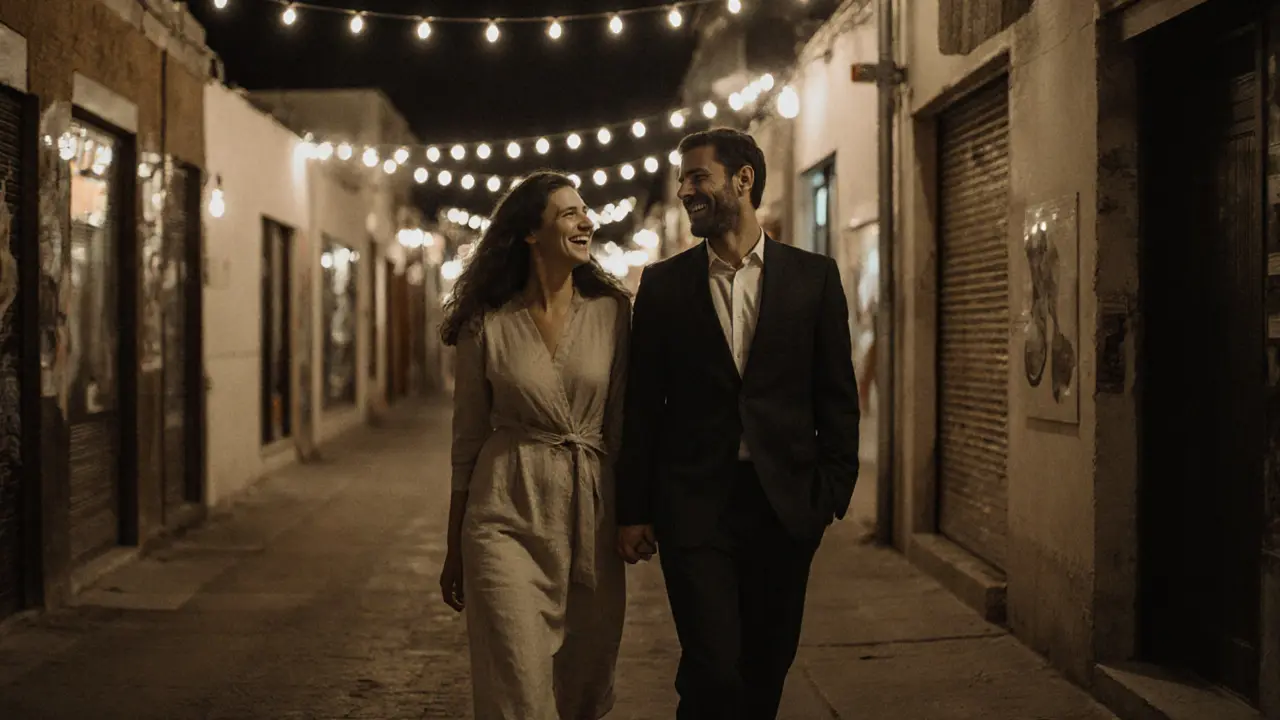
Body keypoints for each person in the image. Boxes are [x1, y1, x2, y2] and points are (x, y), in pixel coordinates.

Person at [616, 128, 861, 720]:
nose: (684, 191)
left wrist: (830, 493)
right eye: (682, 180)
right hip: (695, 505)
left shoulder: (814, 277)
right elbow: (643, 405)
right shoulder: (663, 286)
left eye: (697, 177)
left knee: (765, 668)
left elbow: (836, 395)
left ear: (743, 179)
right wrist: (634, 509)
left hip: (784, 506)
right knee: (712, 668)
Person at [438, 171, 631, 720]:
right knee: (517, 689)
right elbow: (467, 440)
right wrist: (455, 544)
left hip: (590, 514)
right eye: (569, 213)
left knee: (584, 689)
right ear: (530, 233)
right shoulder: (486, 324)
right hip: (504, 514)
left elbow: (621, 427)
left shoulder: (614, 314)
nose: (586, 220)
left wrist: (633, 516)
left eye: (585, 210)